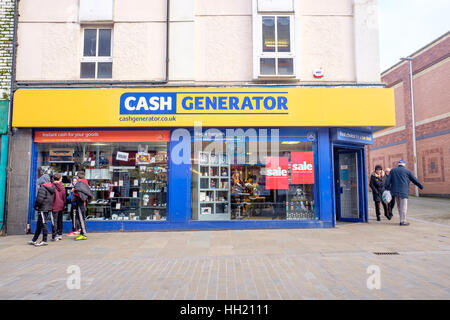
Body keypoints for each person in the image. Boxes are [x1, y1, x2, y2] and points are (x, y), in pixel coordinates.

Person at [385, 160, 424, 226]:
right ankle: (402, 221)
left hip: (395, 192)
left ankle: (401, 219)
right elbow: (414, 180)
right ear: (404, 164)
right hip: (404, 192)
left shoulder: (393, 170)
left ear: (398, 164)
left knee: (399, 206)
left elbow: (388, 181)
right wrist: (421, 186)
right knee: (403, 207)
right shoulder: (407, 171)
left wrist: (387, 189)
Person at [28, 174, 55, 246]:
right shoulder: (51, 187)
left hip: (43, 208)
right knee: (39, 224)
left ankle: (44, 240)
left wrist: (36, 206)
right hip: (48, 207)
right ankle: (34, 239)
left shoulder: (43, 188)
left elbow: (39, 199)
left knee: (43, 223)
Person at [73, 171, 94, 240]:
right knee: (81, 217)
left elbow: (78, 192)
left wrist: (74, 191)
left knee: (81, 218)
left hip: (81, 202)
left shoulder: (80, 183)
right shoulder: (85, 182)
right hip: (84, 202)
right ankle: (82, 233)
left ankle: (84, 234)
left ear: (78, 177)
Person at [50, 173, 66, 241]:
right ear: (60, 179)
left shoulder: (51, 186)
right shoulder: (62, 186)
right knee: (60, 220)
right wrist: (64, 204)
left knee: (54, 221)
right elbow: (64, 197)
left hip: (54, 206)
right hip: (61, 205)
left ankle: (54, 235)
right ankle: (60, 234)